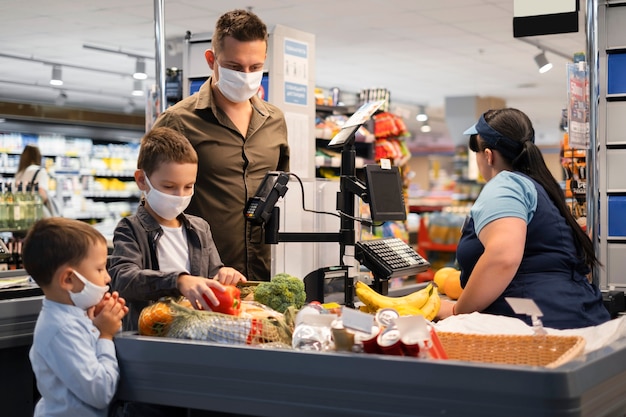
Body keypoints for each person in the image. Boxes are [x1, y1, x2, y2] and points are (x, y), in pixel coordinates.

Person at [437, 108, 610, 329]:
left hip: (534, 328)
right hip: (578, 317)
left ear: (488, 156)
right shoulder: (542, 188)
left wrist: (457, 310)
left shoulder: (505, 184)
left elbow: (503, 258)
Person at [152, 9, 290, 281]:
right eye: (235, 67)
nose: (246, 76)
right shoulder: (178, 122)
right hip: (201, 279)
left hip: (262, 277)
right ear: (211, 59)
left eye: (255, 68)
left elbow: (283, 196)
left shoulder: (275, 121)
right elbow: (153, 208)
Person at [108, 126, 246, 333]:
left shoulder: (200, 229)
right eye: (169, 187)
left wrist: (225, 275)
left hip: (196, 335)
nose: (179, 195)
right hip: (151, 339)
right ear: (142, 180)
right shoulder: (130, 229)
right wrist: (179, 281)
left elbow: (213, 276)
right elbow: (124, 278)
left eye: (188, 186)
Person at [22, 217, 129, 417]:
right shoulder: (62, 330)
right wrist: (105, 335)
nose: (107, 277)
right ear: (69, 279)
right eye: (99, 269)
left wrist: (98, 324)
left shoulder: (75, 316)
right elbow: (100, 392)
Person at [14, 144, 53, 215]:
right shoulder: (40, 171)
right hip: (35, 214)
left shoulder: (19, 174)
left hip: (20, 212)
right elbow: (42, 195)